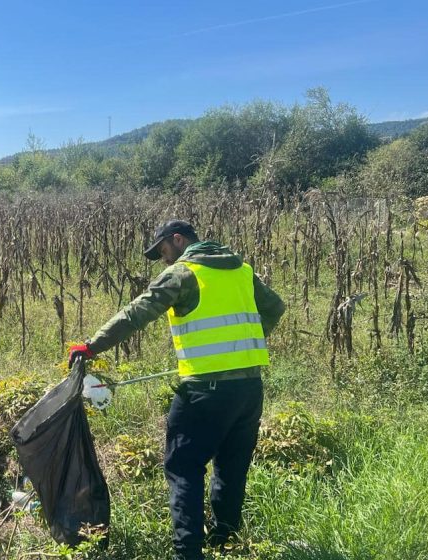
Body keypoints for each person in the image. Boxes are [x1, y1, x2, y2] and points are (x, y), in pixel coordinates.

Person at [68, 220, 285, 560]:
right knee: (231, 467)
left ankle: (188, 554)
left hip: (205, 392)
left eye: (163, 251)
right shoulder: (241, 270)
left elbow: (137, 313)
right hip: (249, 389)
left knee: (183, 468)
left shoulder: (185, 273)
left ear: (178, 240)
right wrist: (242, 345)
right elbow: (275, 308)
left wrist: (91, 346)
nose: (163, 260)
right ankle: (224, 541)